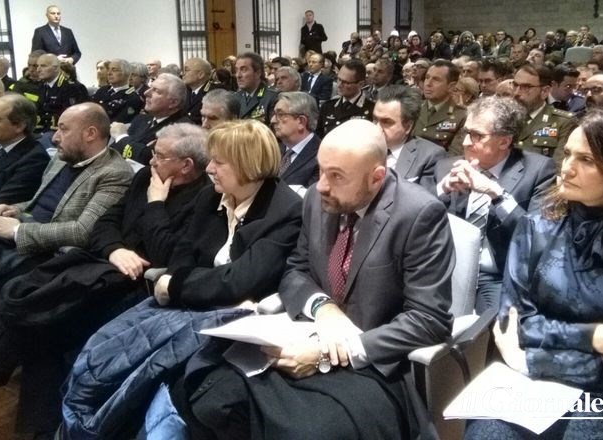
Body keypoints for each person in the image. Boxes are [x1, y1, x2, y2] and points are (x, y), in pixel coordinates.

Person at [180, 119, 454, 439]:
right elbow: (296, 269)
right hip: (307, 333)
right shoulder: (317, 198)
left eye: (336, 176)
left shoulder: (419, 214)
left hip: (373, 360)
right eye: (321, 170)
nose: (322, 185)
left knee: (304, 431)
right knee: (208, 390)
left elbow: (429, 319)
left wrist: (333, 351)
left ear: (376, 178)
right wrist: (322, 307)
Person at [0, 123, 209, 436]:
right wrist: (116, 249)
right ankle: (22, 423)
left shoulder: (201, 199)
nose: (151, 160)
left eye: (159, 155)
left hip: (137, 285)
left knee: (45, 320)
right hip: (100, 267)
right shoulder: (146, 177)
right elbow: (105, 224)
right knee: (41, 319)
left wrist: (156, 204)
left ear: (186, 165)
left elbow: (167, 253)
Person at [60, 120, 303, 439]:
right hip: (186, 304)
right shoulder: (209, 197)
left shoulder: (286, 210)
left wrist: (175, 285)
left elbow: (240, 281)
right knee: (101, 351)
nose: (210, 169)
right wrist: (187, 281)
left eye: (219, 162)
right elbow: (181, 257)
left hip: (232, 321)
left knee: (147, 386)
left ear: (248, 165)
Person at [468, 110, 603, 439]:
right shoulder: (537, 226)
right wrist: (596, 337)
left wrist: (530, 359)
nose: (567, 168)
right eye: (568, 154)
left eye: (586, 160)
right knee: (487, 434)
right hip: (531, 380)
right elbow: (513, 323)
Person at [437, 96, 555, 312]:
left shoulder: (538, 171)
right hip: (447, 269)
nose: (465, 142)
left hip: (496, 276)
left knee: (492, 325)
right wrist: (441, 190)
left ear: (504, 141)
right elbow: (417, 223)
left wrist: (497, 194)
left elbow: (537, 236)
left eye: (477, 135)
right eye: (466, 133)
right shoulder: (446, 167)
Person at [111, 73, 191, 165]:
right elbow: (113, 151)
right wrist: (137, 148)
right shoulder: (141, 119)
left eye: (156, 91)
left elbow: (147, 158)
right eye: (150, 88)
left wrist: (121, 137)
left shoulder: (182, 129)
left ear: (173, 102)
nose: (146, 93)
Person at [374, 85, 445, 188]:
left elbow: (424, 197)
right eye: (375, 119)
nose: (377, 128)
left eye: (386, 122)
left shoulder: (429, 156)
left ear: (408, 126)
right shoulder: (362, 146)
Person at [512, 64, 576, 168]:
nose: (516, 93)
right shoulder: (505, 118)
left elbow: (558, 168)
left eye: (526, 87)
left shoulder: (563, 122)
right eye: (515, 85)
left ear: (545, 91)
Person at [412, 59, 467, 156]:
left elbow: (454, 155)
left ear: (451, 86)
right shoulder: (413, 108)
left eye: (436, 79)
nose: (428, 83)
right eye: (427, 77)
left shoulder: (461, 116)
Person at [271, 91, 320, 188]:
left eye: (280, 115)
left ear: (301, 121)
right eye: (274, 114)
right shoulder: (273, 149)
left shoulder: (321, 157)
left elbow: (309, 196)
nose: (273, 120)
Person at [35, 53, 89, 135]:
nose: (38, 69)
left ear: (55, 68)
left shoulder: (71, 87)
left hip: (62, 132)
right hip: (41, 130)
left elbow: (74, 116)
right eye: (37, 66)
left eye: (43, 66)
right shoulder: (41, 86)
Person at [317, 59, 374, 137]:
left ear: (361, 84)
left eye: (346, 82)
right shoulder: (328, 107)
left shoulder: (371, 110)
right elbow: (319, 136)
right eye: (339, 79)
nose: (339, 85)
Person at [91, 58, 144, 124]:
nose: (109, 73)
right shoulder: (103, 90)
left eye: (114, 70)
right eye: (109, 69)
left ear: (126, 74)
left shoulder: (133, 98)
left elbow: (119, 122)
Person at [235, 52, 278, 124]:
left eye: (243, 70)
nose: (238, 75)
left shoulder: (272, 97)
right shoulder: (235, 97)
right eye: (236, 70)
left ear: (258, 73)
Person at [182, 58, 213, 125]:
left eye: (186, 70)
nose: (182, 73)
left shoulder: (213, 93)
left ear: (200, 75)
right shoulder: (183, 91)